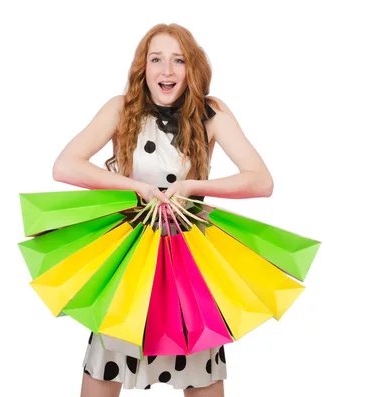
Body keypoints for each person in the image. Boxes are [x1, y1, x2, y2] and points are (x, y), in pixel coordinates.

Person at [52, 23, 273, 397]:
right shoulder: (121, 109)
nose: (166, 71)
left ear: (192, 68)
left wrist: (193, 188)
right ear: (144, 67)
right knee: (107, 364)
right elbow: (65, 165)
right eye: (157, 60)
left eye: (178, 60)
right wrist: (137, 187)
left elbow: (261, 181)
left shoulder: (211, 112)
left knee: (199, 369)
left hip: (188, 263)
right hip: (131, 264)